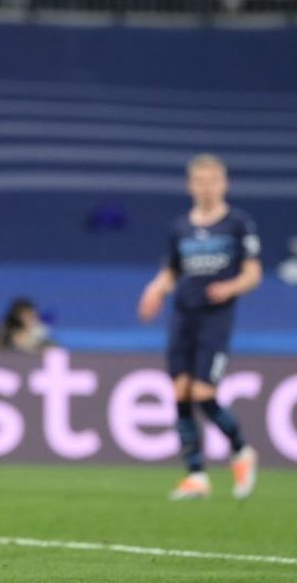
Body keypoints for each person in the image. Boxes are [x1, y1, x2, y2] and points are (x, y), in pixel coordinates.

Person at [138, 153, 260, 501]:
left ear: (224, 184)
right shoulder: (180, 227)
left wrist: (230, 287)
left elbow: (253, 273)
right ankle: (196, 475)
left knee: (203, 394)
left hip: (215, 319)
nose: (207, 188)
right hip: (183, 316)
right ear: (191, 186)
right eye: (200, 182)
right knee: (179, 392)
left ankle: (241, 451)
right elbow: (172, 271)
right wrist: (155, 290)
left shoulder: (237, 223)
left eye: (213, 181)